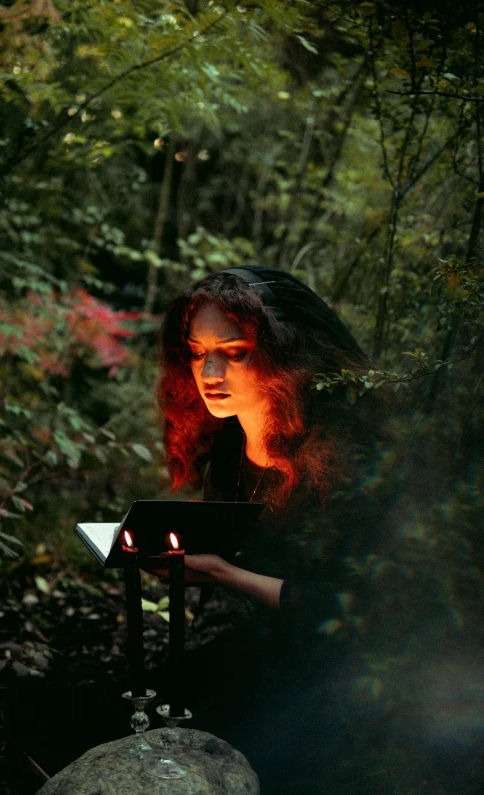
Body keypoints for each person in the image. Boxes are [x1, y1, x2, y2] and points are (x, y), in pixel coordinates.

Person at [155, 266, 388, 794]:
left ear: (287, 355)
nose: (210, 370)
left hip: (345, 670)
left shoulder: (341, 457)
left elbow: (356, 609)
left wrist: (224, 574)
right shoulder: (229, 445)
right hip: (267, 646)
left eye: (235, 352)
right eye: (197, 352)